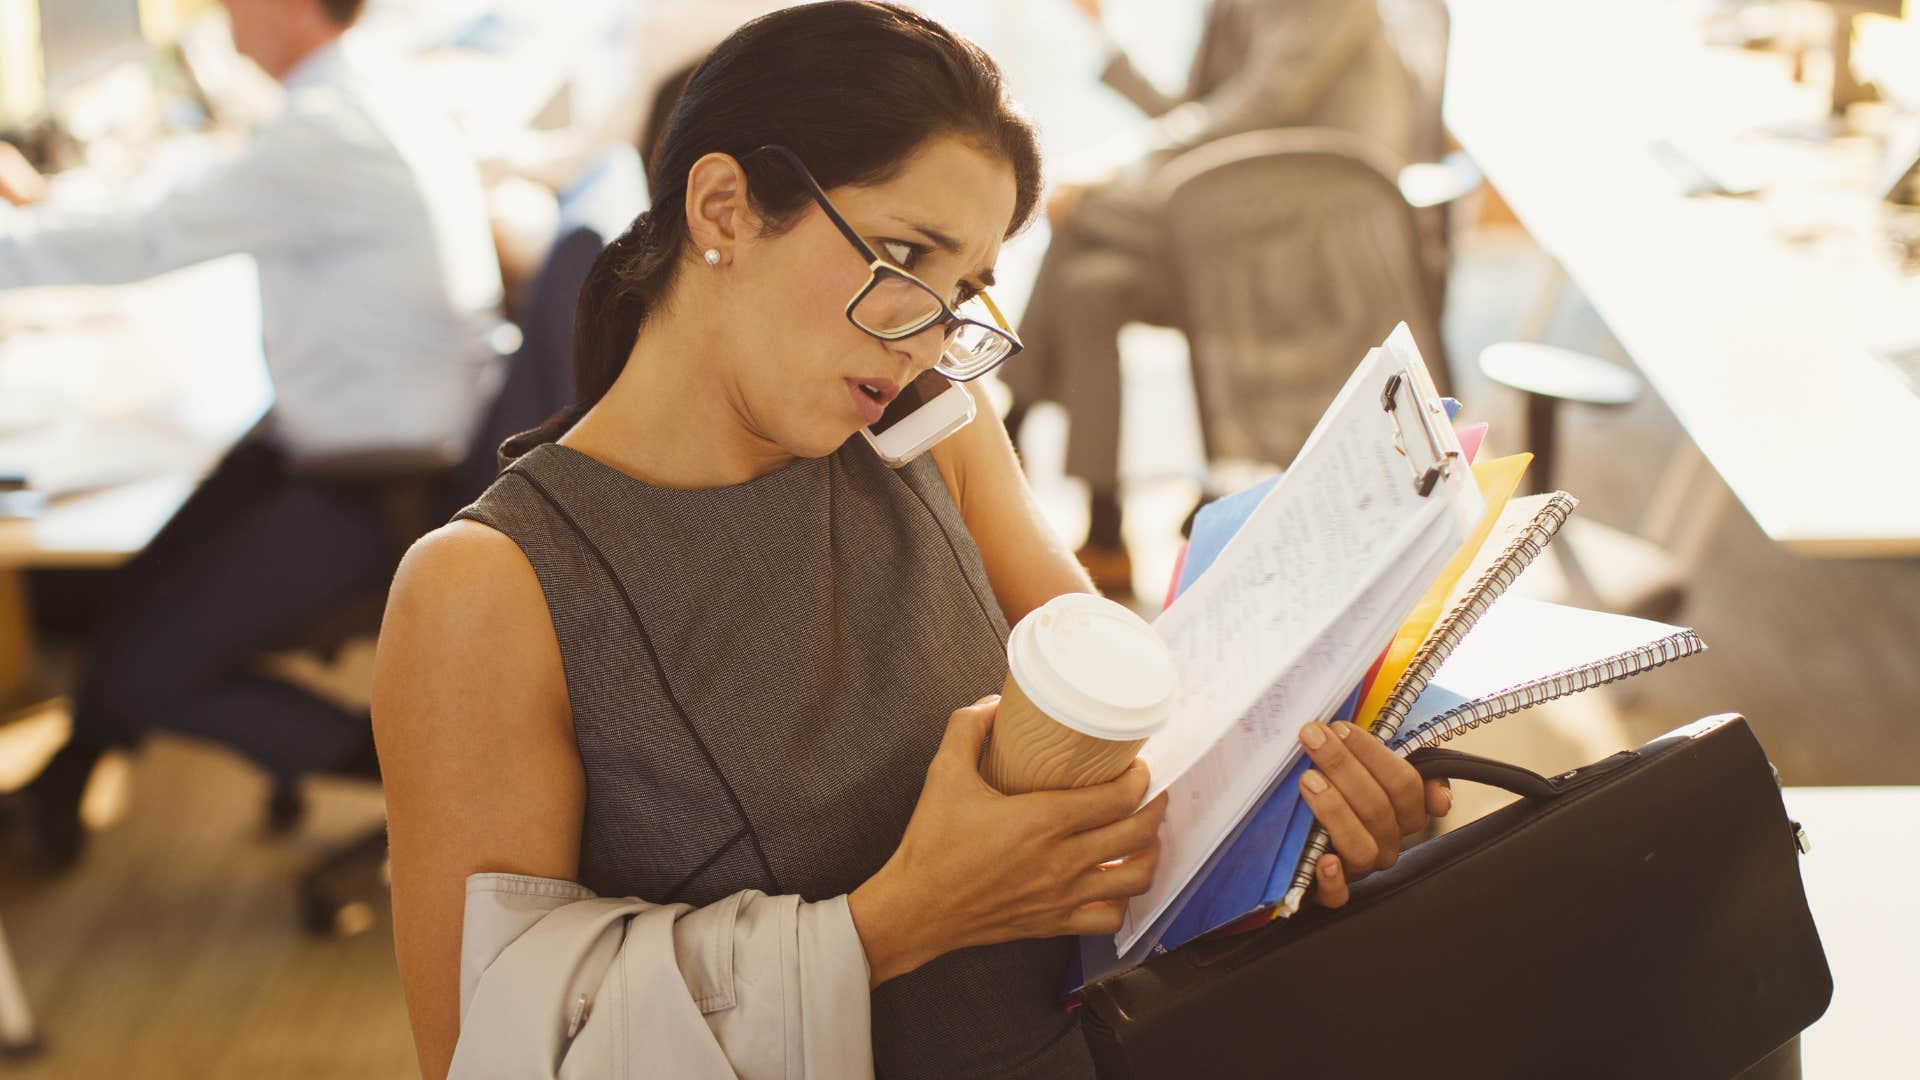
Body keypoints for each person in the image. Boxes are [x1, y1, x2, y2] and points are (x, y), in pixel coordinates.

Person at [373, 4, 1448, 1077]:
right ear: (723, 210)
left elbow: (1140, 774)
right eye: (901, 255)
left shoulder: (933, 432)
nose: (930, 335)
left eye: (963, 288)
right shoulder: (491, 588)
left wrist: (1293, 816)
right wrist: (896, 922)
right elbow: (484, 1049)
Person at [1, 0, 503, 864]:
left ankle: (445, 781)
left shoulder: (328, 131)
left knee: (150, 663)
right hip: (368, 437)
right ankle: (60, 789)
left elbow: (149, 235)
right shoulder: (357, 93)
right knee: (139, 577)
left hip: (378, 480)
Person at [1001, 0, 1416, 594]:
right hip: (1235, 223)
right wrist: (1107, 37)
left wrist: (1108, 171)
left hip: (1309, 233)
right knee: (1087, 285)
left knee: (1082, 214)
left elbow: (1258, 111)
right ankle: (1104, 524)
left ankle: (1009, 431)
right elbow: (1196, 116)